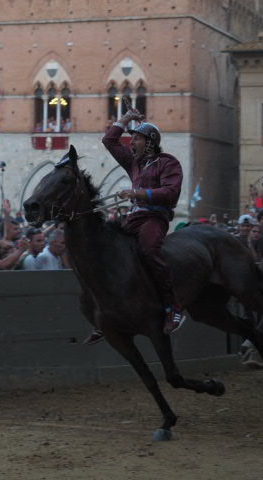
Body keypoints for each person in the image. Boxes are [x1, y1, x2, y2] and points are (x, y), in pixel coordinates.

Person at [101, 107, 185, 337]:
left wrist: (138, 195)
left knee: (148, 251)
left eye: (136, 138)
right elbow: (109, 140)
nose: (131, 143)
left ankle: (173, 307)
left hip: (155, 217)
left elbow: (170, 193)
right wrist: (126, 118)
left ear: (150, 142)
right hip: (134, 217)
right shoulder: (133, 163)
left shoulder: (169, 163)